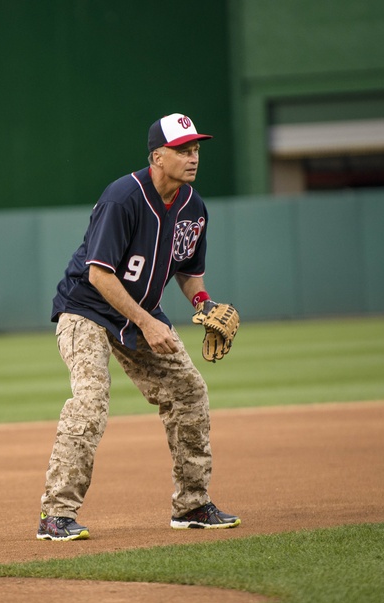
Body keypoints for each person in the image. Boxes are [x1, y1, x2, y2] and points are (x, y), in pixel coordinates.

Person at [36, 112, 241, 541]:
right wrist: (147, 323)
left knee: (189, 392)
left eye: (196, 149)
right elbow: (99, 275)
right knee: (91, 400)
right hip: (86, 309)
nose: (193, 157)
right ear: (157, 156)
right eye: (182, 150)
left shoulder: (193, 206)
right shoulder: (123, 198)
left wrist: (202, 303)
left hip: (141, 313)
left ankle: (192, 505)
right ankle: (56, 514)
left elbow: (188, 271)